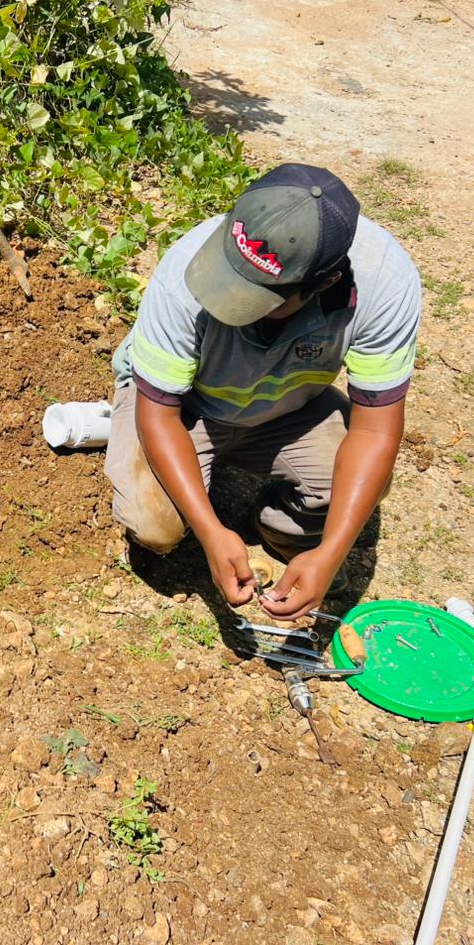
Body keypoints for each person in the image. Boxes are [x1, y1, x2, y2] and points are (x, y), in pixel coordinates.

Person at [105, 163, 421, 620]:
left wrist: (330, 554)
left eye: (259, 297)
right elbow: (159, 414)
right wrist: (211, 532)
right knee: (154, 523)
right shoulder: (184, 270)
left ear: (324, 283)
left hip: (287, 409)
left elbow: (374, 432)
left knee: (364, 483)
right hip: (186, 406)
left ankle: (279, 523)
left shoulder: (384, 282)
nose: (228, 298)